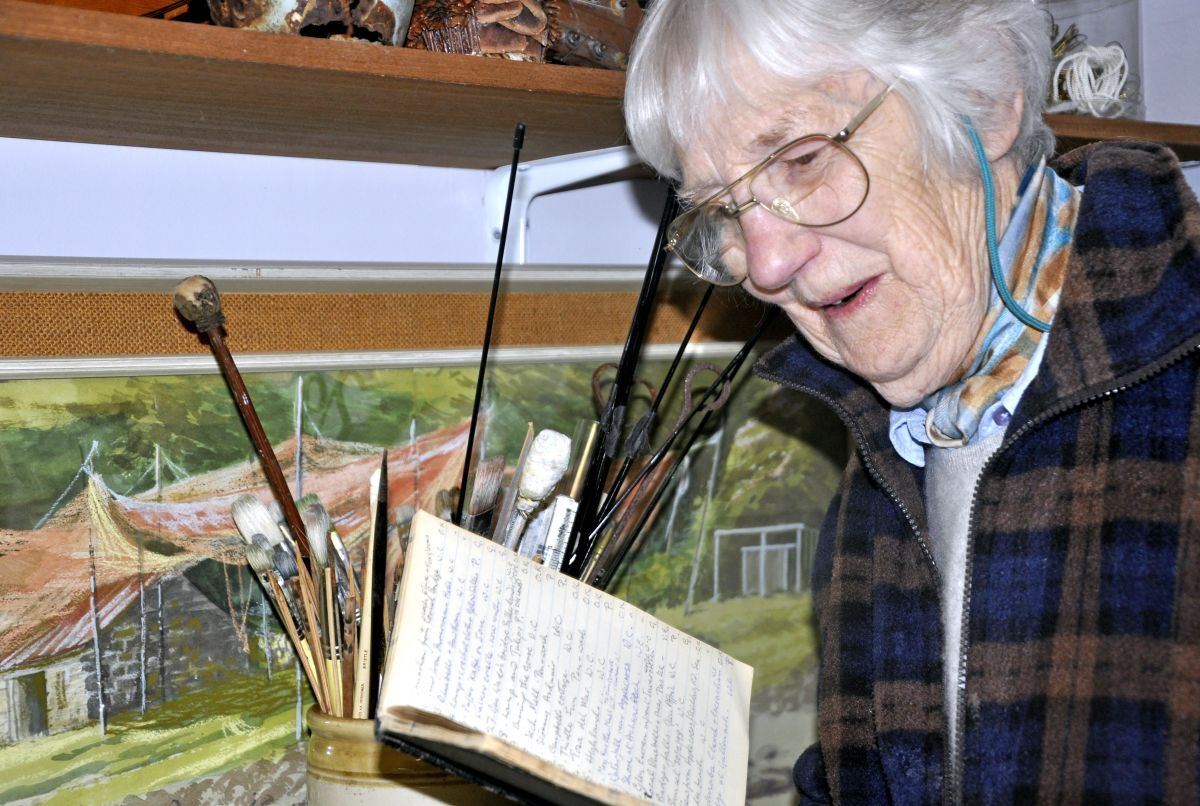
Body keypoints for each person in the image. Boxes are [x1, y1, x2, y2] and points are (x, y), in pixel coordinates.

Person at [624, 0, 1200, 803]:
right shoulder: (883, 451)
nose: (765, 261)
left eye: (799, 159)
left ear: (985, 97)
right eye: (723, 210)